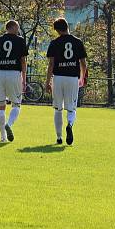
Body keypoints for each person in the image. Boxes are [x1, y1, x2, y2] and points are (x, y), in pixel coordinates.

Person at [45, 17, 87, 145]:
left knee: (58, 108)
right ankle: (69, 124)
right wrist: (82, 77)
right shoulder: (78, 42)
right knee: (71, 108)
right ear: (67, 26)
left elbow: (51, 64)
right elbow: (83, 63)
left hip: (58, 77)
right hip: (72, 78)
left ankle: (59, 137)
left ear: (57, 30)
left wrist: (47, 81)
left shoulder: (54, 43)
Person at [0, 20, 28, 142]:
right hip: (14, 74)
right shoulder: (20, 40)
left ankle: (2, 137)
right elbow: (23, 61)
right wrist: (24, 79)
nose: (18, 29)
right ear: (13, 27)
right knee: (16, 104)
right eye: (18, 27)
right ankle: (9, 125)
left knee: (1, 106)